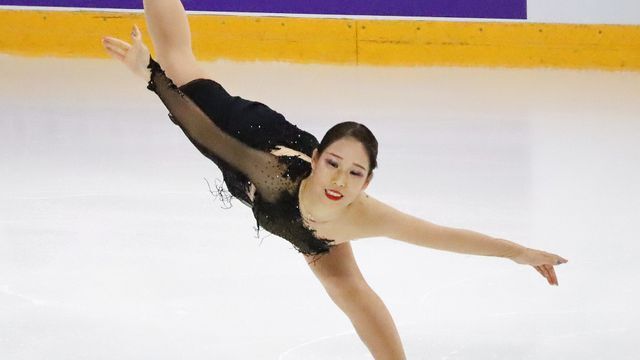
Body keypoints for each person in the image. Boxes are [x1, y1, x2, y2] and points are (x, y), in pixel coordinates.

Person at [101, 1, 568, 358]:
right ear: (318, 158)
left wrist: (517, 252)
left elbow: (442, 237)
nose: (340, 181)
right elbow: (204, 132)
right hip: (243, 135)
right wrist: (150, 74)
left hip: (308, 221)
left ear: (366, 184)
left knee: (349, 289)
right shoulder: (272, 175)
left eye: (355, 174)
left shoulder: (362, 213)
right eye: (334, 165)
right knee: (181, 63)